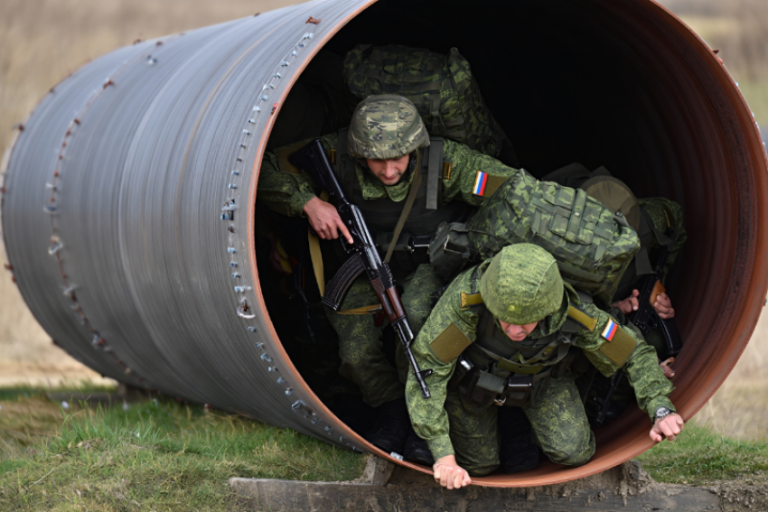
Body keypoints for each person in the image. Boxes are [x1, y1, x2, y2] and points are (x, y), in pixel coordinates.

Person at [257, 94, 521, 459]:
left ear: (415, 146)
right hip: (363, 265)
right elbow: (261, 168)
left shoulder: (448, 163)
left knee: (413, 318)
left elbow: (517, 194)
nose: (388, 171)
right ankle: (391, 408)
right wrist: (308, 202)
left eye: (397, 158)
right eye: (376, 160)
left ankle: (421, 416)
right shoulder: (336, 153)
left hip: (430, 265)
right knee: (354, 350)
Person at [406, 244, 684, 489]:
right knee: (479, 467)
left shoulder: (574, 312)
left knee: (576, 452)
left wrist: (660, 409)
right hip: (474, 381)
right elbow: (428, 367)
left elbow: (632, 352)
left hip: (542, 380)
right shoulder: (469, 299)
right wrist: (443, 455)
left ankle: (520, 425)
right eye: (505, 319)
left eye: (528, 321)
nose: (515, 330)